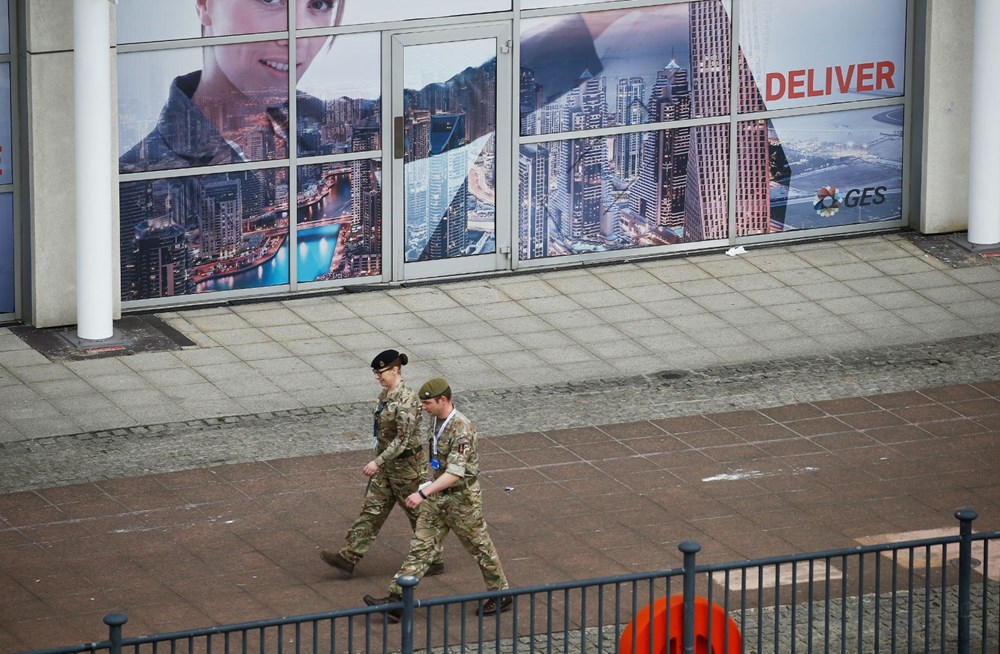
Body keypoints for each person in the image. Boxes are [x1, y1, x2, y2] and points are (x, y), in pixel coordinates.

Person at [120, 0, 343, 172]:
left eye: (319, 4)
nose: (299, 37)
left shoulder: (332, 123)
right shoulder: (133, 183)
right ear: (205, 4)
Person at [363, 377, 511, 621]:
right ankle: (397, 600)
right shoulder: (436, 420)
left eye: (428, 402)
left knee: (480, 547)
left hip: (462, 500)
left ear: (443, 400)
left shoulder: (461, 428)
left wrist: (422, 493)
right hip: (439, 496)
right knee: (421, 547)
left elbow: (455, 473)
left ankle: (501, 594)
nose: (423, 406)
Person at [320, 350, 444, 576]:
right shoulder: (385, 396)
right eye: (376, 372)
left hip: (407, 468)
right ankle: (349, 556)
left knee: (418, 514)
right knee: (372, 510)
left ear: (395, 369)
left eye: (380, 372)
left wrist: (377, 462)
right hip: (387, 467)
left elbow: (403, 440)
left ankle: (433, 558)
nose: (377, 376)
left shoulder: (407, 401)